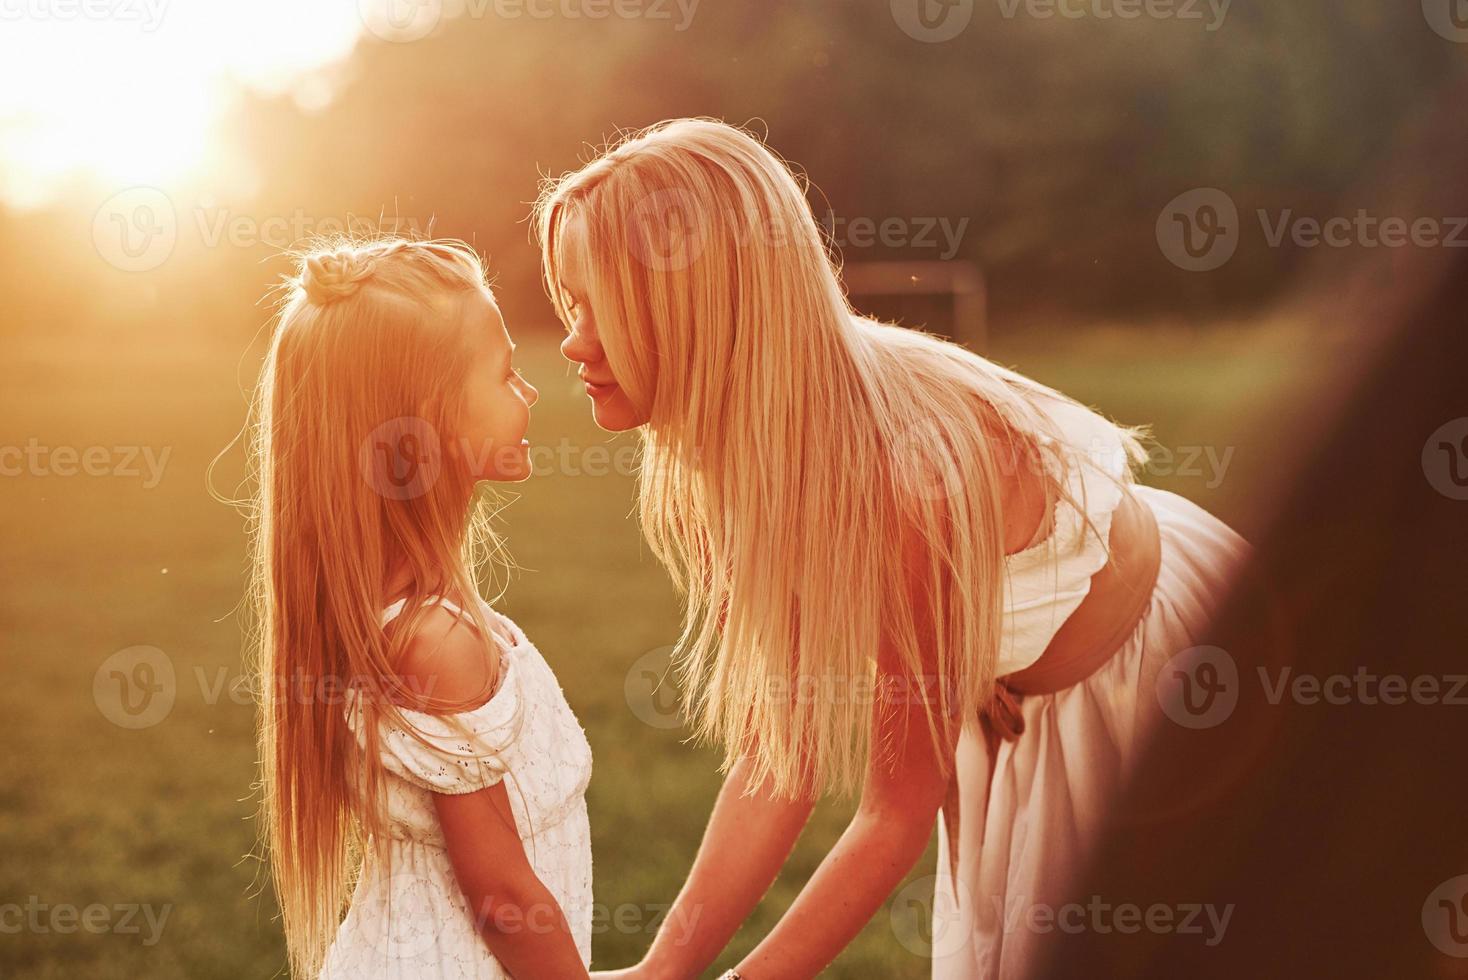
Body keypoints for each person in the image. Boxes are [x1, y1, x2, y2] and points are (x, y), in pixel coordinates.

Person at [535, 118, 1249, 979]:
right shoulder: (726, 465)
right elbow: (781, 753)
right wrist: (664, 971)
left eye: (600, 309)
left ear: (701, 312)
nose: (573, 341)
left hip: (1156, 681)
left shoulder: (902, 480)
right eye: (568, 303)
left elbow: (894, 812)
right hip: (1021, 701)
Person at [242, 237, 593, 979]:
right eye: (505, 374)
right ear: (429, 421)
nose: (527, 392)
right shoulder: (435, 641)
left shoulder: (412, 614)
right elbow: (502, 900)